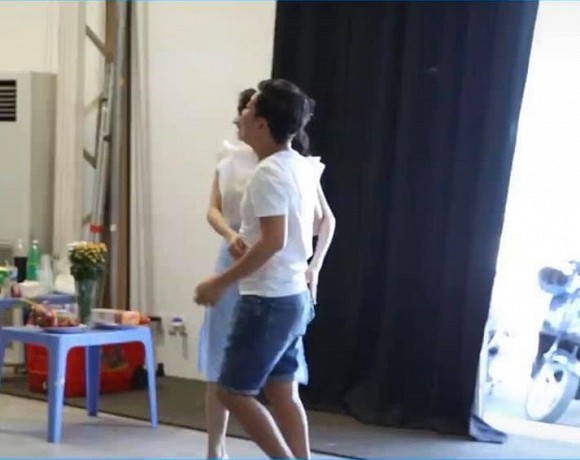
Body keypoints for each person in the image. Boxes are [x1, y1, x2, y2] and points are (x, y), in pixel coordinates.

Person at [197, 84, 335, 459]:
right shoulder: (298, 166)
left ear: (261, 124)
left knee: (231, 392)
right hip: (291, 297)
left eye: (249, 109)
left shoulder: (268, 173)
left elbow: (273, 240)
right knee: (281, 390)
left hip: (268, 300)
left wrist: (219, 283)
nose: (240, 114)